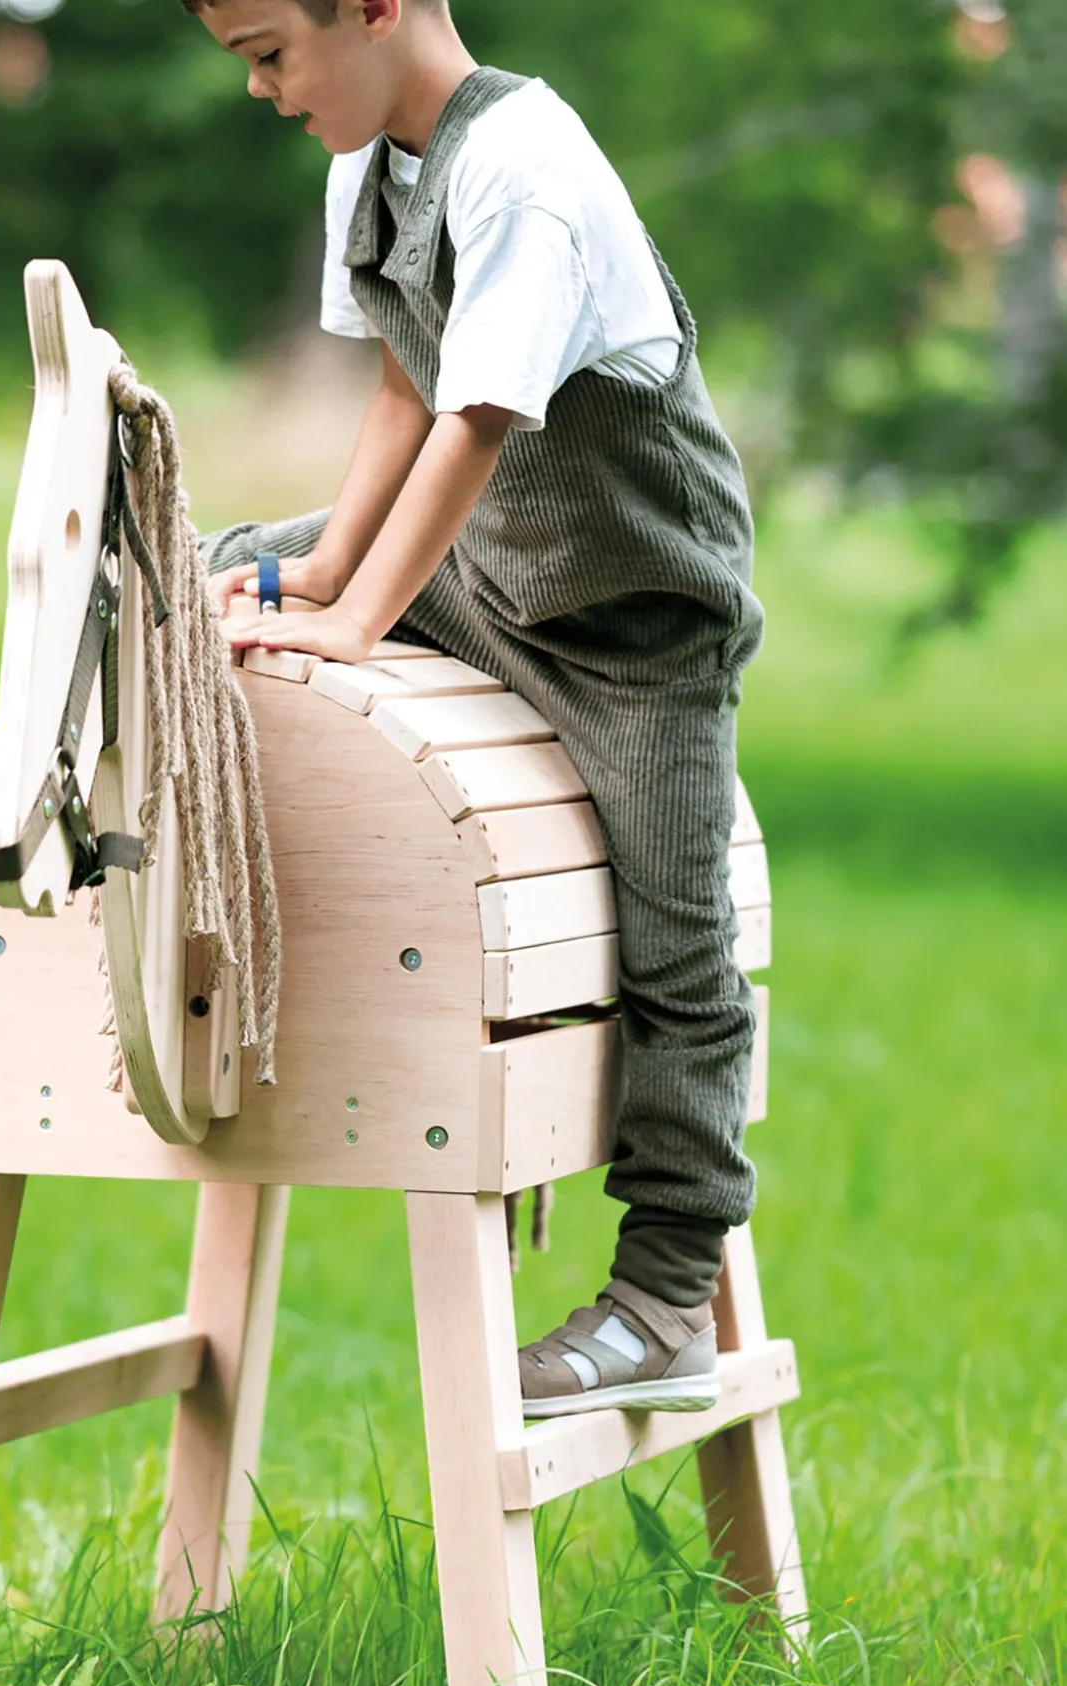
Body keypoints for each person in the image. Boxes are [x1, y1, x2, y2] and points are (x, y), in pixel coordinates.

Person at [186, 0, 761, 1416]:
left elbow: (480, 418)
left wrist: (358, 626)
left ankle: (665, 1293)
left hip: (633, 622)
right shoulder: (370, 163)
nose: (262, 89)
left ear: (377, 8)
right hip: (491, 572)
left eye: (269, 51)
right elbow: (404, 378)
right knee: (220, 569)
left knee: (682, 948)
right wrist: (320, 571)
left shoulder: (528, 169)